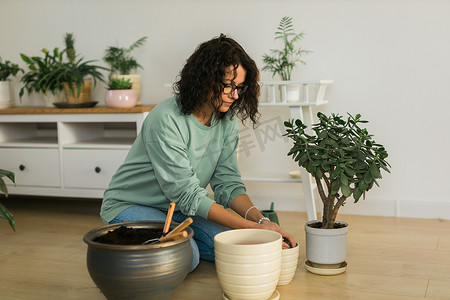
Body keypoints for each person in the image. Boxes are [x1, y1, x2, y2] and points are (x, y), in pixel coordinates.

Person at [100, 34, 296, 272]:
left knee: (241, 247)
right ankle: (126, 245)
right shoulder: (165, 119)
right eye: (228, 86)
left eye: (239, 88)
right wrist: (249, 227)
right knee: (188, 255)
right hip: (129, 205)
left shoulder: (226, 120)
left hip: (179, 210)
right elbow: (187, 194)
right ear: (205, 80)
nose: (235, 95)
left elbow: (228, 184)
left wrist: (260, 222)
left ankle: (178, 239)